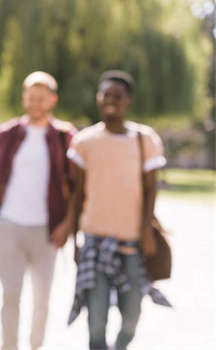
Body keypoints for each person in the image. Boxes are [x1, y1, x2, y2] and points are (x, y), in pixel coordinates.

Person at [65, 70, 171, 349]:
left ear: (128, 102)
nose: (111, 100)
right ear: (99, 99)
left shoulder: (144, 138)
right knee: (97, 319)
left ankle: (121, 346)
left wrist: (146, 232)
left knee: (132, 316)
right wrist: (74, 238)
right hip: (94, 242)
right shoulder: (84, 141)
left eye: (117, 95)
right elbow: (77, 195)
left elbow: (151, 189)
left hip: (133, 243)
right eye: (106, 94)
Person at [0, 71, 76, 350]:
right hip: (9, 225)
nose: (35, 103)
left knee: (42, 300)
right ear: (24, 97)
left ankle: (36, 347)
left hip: (47, 230)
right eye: (30, 97)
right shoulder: (6, 134)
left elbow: (75, 187)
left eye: (41, 98)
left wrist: (67, 226)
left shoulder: (65, 136)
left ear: (52, 100)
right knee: (10, 294)